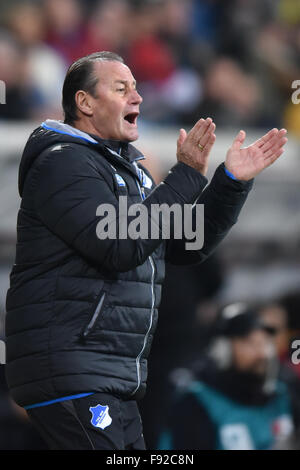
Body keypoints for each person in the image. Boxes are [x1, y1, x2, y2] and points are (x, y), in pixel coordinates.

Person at [5, 51, 287, 450]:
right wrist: (186, 174)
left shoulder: (125, 170)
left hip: (110, 372)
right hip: (71, 367)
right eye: (121, 88)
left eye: (136, 88)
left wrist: (229, 183)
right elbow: (120, 245)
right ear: (84, 103)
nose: (136, 97)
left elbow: (186, 243)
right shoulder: (63, 163)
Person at [157, 303, 299, 450]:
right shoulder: (196, 402)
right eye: (250, 343)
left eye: (264, 342)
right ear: (224, 350)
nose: (262, 353)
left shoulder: (283, 393)